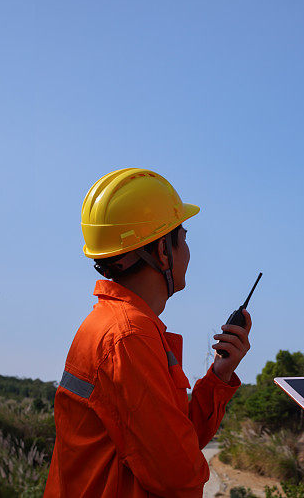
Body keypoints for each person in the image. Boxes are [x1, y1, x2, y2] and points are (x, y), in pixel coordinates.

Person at [45, 168, 251, 497]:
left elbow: (175, 442)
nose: (187, 251)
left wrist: (220, 375)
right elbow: (178, 474)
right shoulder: (128, 338)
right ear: (161, 252)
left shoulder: (118, 326)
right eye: (182, 238)